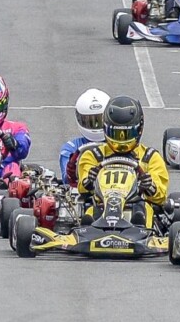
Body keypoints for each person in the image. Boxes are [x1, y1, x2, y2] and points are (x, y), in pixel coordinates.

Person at [75, 96, 168, 227]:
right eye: (115, 133)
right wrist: (90, 181)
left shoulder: (150, 157)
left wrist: (150, 186)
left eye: (126, 134)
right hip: (100, 207)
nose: (121, 140)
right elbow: (82, 189)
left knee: (144, 211)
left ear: (139, 129)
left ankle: (142, 233)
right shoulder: (93, 155)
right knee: (89, 213)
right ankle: (88, 232)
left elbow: (161, 196)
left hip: (137, 207)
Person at [61, 88, 109, 186]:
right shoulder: (71, 148)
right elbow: (67, 179)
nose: (96, 125)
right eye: (91, 121)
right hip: (84, 193)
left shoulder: (119, 145)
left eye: (100, 120)